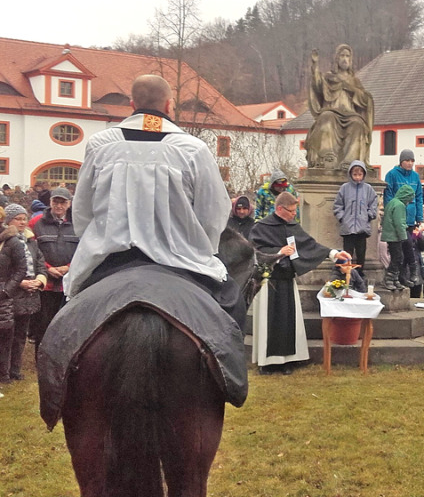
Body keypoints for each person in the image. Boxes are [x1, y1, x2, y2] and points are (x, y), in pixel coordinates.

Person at [63, 74, 245, 329]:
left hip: (109, 256)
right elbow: (213, 213)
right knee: (233, 305)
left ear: (131, 104)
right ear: (170, 105)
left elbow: (82, 209)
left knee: (68, 317)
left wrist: (94, 239)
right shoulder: (192, 149)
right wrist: (202, 244)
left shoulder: (100, 144)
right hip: (181, 258)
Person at [250, 192, 350, 374]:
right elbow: (255, 252)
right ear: (279, 209)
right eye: (291, 211)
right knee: (269, 322)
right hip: (269, 282)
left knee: (288, 321)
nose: (293, 215)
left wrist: (334, 254)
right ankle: (268, 363)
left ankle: (287, 360)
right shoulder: (261, 227)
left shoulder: (292, 226)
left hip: (287, 280)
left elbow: (309, 246)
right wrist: (279, 252)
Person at [306, 44, 374, 168]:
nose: (345, 59)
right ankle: (327, 156)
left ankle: (350, 162)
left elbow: (365, 99)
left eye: (347, 56)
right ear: (337, 58)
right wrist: (315, 67)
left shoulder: (355, 81)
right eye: (342, 55)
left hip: (350, 114)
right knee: (327, 117)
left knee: (358, 124)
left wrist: (352, 89)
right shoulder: (329, 77)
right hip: (332, 110)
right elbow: (317, 85)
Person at [0, 204, 47, 383]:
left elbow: (40, 262)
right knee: (7, 335)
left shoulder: (31, 240)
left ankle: (15, 369)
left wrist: (40, 280)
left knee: (21, 336)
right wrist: (21, 283)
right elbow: (7, 270)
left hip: (30, 294)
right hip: (12, 294)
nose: (22, 222)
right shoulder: (8, 241)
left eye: (24, 218)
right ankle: (4, 370)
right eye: (17, 219)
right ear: (8, 221)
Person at [29, 187, 78, 356]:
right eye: (55, 201)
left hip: (70, 283)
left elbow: (84, 249)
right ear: (49, 202)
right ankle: (41, 358)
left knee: (68, 322)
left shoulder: (79, 223)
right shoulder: (36, 223)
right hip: (47, 284)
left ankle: (64, 357)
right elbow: (31, 250)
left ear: (69, 203)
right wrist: (48, 268)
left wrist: (69, 267)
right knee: (44, 323)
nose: (58, 205)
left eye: (63, 202)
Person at [384, 149, 424, 286]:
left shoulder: (415, 176)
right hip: (397, 217)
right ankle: (394, 277)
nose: (410, 163)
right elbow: (388, 195)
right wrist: (391, 211)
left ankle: (403, 276)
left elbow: (419, 196)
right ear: (401, 161)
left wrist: (419, 216)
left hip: (410, 218)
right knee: (397, 251)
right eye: (407, 160)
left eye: (412, 161)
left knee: (408, 250)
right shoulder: (392, 175)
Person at [333, 160, 378, 268]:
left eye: (360, 174)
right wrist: (342, 217)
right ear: (350, 174)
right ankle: (346, 274)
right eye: (355, 174)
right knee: (347, 254)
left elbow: (374, 203)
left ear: (363, 175)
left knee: (361, 253)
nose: (357, 177)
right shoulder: (344, 188)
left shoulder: (368, 189)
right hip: (348, 228)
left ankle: (360, 273)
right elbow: (338, 205)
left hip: (362, 228)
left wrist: (369, 215)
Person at [380, 185, 416, 291]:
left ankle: (395, 279)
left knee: (397, 257)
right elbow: (399, 222)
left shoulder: (392, 202)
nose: (409, 202)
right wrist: (403, 236)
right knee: (397, 258)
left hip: (390, 234)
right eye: (410, 199)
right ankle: (389, 279)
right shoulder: (399, 205)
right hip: (395, 236)